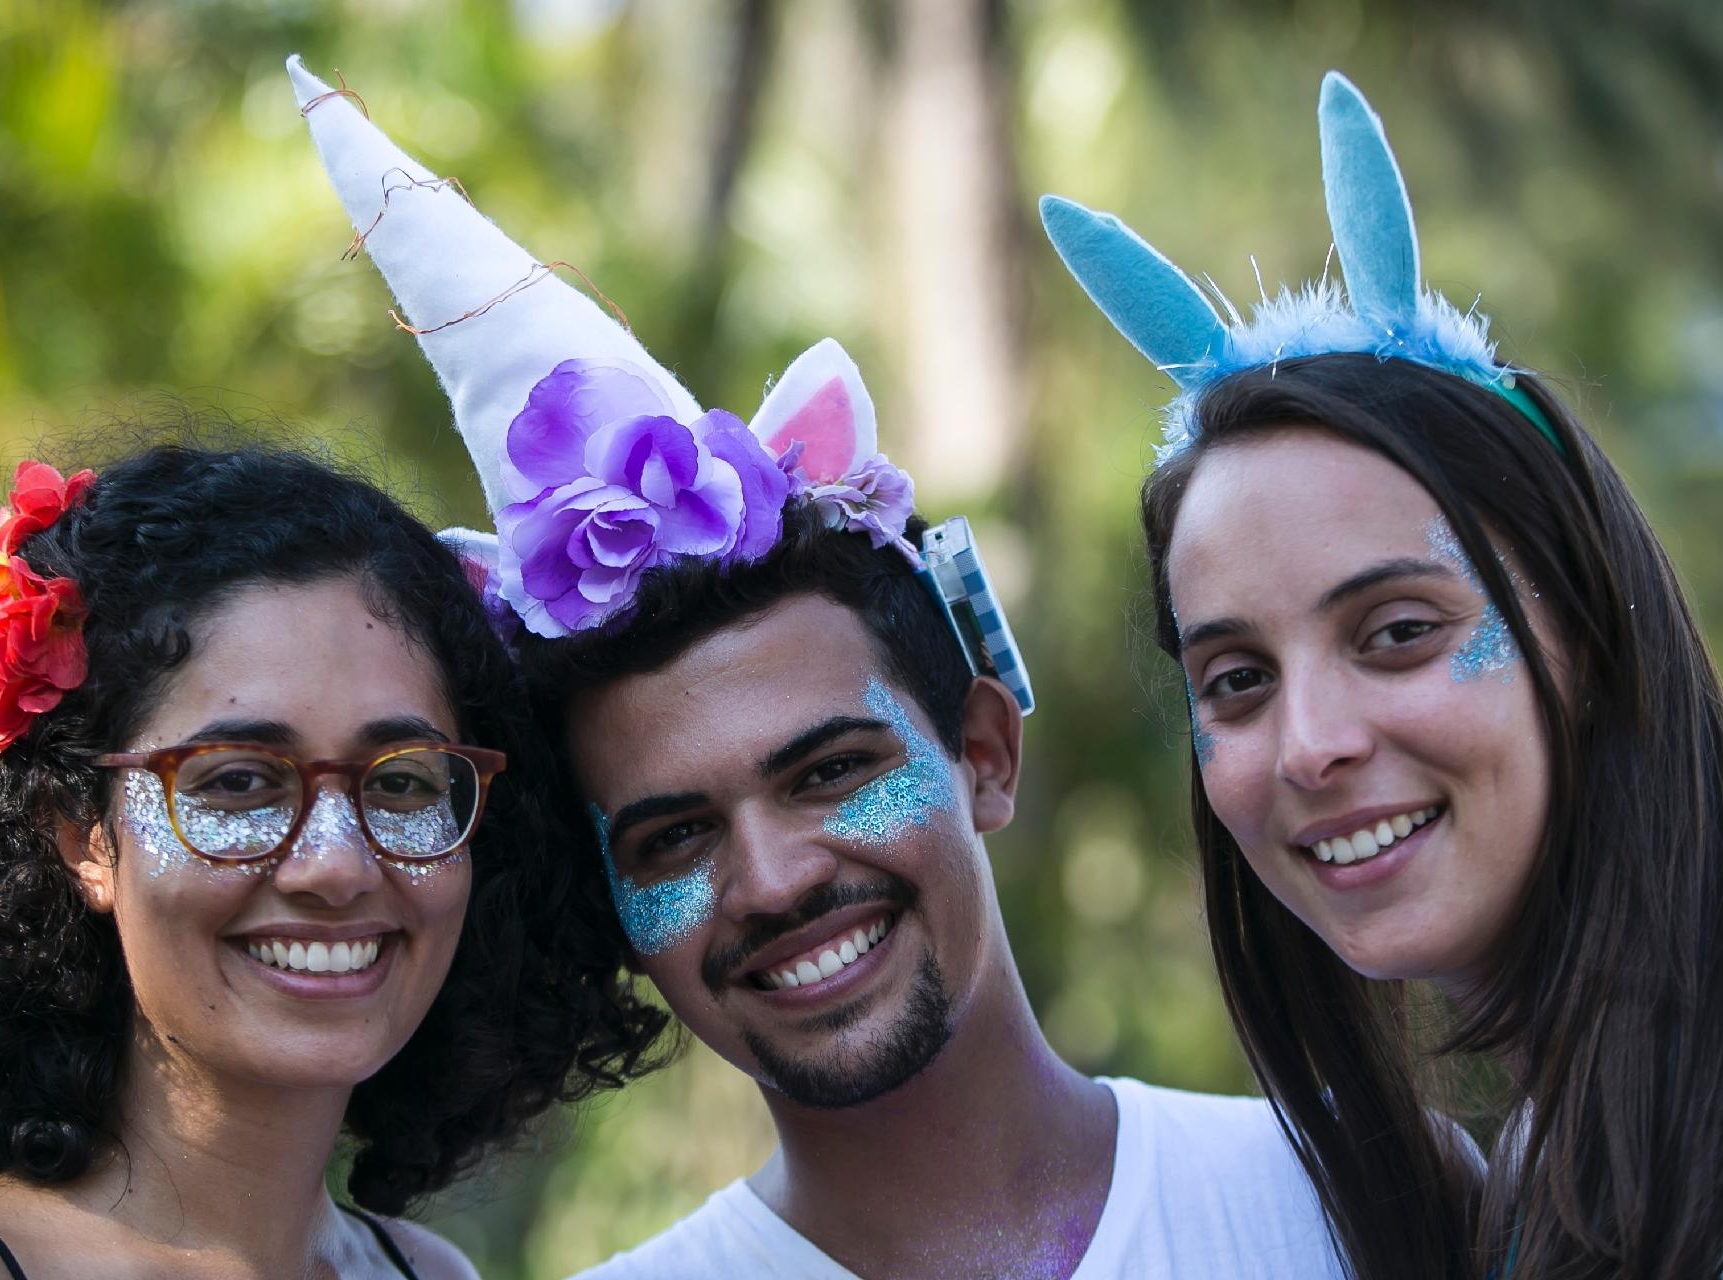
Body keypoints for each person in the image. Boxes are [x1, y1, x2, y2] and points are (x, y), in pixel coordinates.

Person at [293, 55, 1347, 1278]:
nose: (775, 878)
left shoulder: (1351, 1206)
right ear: (618, 910)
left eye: (832, 770)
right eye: (672, 839)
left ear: (987, 752)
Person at [1042, 73, 1723, 1278]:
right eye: (1238, 678)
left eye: (1398, 631)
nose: (1309, 743)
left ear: (1586, 625)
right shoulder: (1525, 1182)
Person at [0, 445, 667, 1279]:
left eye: (401, 782)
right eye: (241, 782)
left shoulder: (427, 1270)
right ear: (82, 836)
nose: (336, 867)